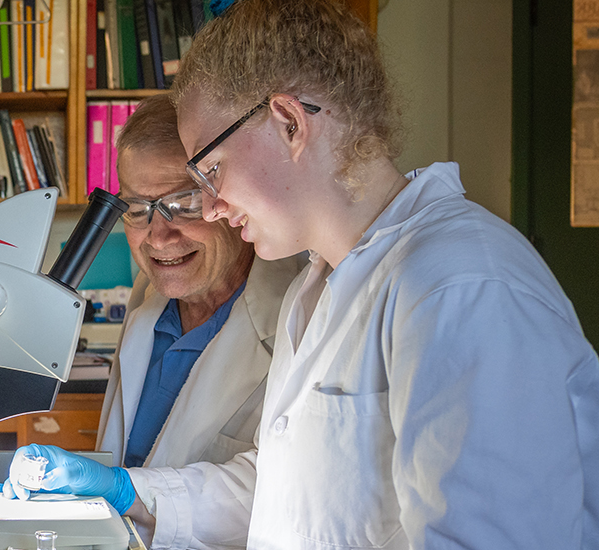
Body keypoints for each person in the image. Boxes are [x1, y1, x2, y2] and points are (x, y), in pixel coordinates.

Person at [157, 0, 595, 548]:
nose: (209, 207)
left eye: (212, 169)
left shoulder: (461, 286)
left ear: (290, 123)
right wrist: (131, 494)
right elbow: (286, 492)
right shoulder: (317, 287)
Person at [0, 95, 304, 547]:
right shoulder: (151, 300)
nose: (158, 236)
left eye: (184, 203)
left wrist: (125, 491)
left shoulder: (301, 313)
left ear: (229, 203)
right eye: (137, 209)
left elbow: (282, 493)